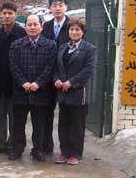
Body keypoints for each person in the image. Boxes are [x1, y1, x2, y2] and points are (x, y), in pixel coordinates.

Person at [9, 15, 57, 162]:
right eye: (29, 24)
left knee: (39, 123)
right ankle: (17, 149)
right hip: (20, 91)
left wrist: (39, 83)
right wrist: (23, 82)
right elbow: (13, 66)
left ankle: (38, 149)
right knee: (18, 123)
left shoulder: (50, 45)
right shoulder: (16, 45)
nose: (32, 27)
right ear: (25, 27)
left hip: (41, 92)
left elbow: (50, 67)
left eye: (35, 24)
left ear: (41, 27)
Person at [53, 18, 95, 165]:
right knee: (63, 125)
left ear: (83, 32)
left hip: (78, 94)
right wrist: (57, 79)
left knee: (77, 126)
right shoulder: (63, 47)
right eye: (71, 29)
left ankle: (76, 154)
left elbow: (87, 70)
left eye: (77, 29)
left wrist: (71, 83)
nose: (74, 32)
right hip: (63, 94)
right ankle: (64, 152)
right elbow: (56, 67)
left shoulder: (89, 49)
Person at [0, 3, 26, 155]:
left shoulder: (22, 33)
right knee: (0, 115)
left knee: (14, 116)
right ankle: (1, 143)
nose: (7, 16)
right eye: (4, 13)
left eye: (10, 13)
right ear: (1, 14)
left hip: (16, 83)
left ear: (15, 14)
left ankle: (13, 143)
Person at [41, 0, 70, 154]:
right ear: (50, 8)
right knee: (47, 113)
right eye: (54, 5)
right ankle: (46, 146)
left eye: (60, 5)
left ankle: (67, 149)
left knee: (66, 116)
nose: (57, 8)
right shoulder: (45, 26)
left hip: (66, 77)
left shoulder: (73, 25)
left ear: (66, 7)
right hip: (49, 76)